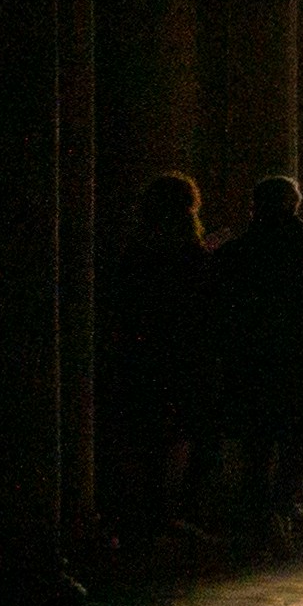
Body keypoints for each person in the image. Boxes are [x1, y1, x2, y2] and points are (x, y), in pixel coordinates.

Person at [209, 171, 303, 554]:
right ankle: (280, 509)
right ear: (294, 206)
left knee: (256, 441)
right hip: (298, 361)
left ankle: (256, 514)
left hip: (250, 361)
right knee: (296, 440)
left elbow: (215, 308)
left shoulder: (236, 252)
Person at [98, 171, 216, 558]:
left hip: (138, 353)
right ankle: (166, 515)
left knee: (139, 436)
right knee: (177, 437)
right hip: (181, 354)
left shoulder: (135, 249)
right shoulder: (191, 251)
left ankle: (139, 519)